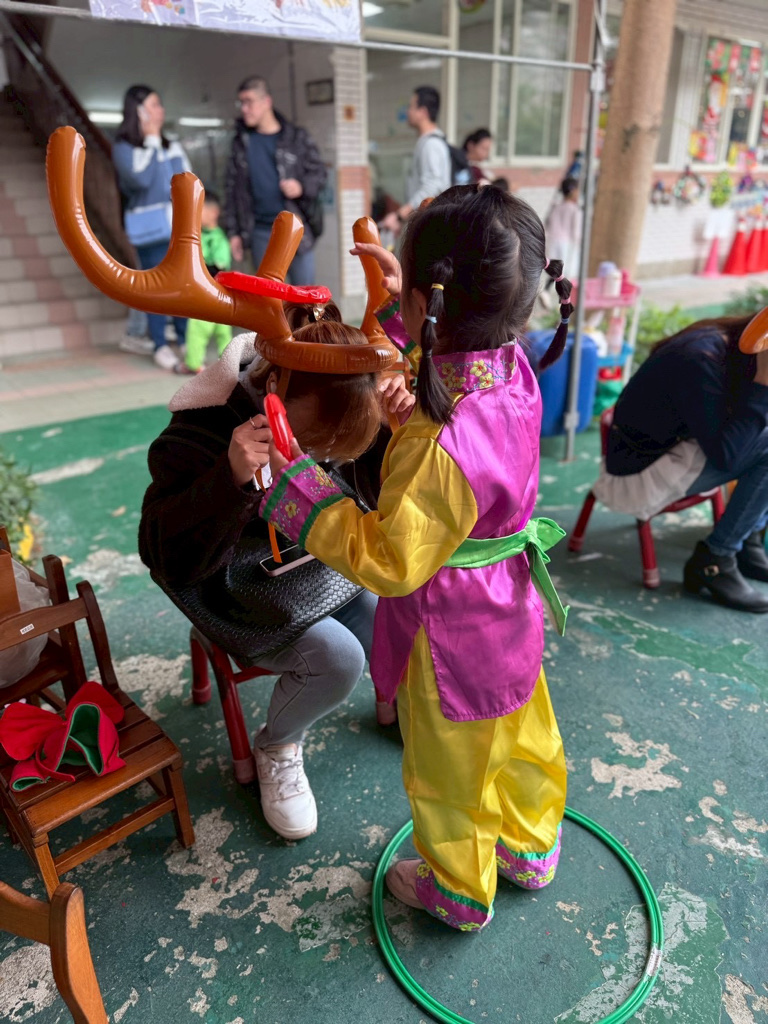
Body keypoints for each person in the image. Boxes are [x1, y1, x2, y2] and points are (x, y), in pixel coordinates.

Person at [261, 184, 574, 930]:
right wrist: (416, 311)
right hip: (513, 604)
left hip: (453, 631)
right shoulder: (514, 368)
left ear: (429, 306)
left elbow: (390, 560)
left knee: (450, 766)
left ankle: (459, 890)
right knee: (525, 733)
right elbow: (459, 383)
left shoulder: (439, 441)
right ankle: (531, 848)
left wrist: (301, 490)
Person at [139, 302, 414, 840]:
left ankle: (394, 700)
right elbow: (164, 555)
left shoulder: (330, 405)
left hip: (316, 558)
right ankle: (278, 743)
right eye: (308, 445)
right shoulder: (197, 432)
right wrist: (229, 480)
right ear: (272, 397)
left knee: (397, 617)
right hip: (231, 582)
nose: (318, 461)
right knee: (339, 658)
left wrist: (394, 436)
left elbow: (374, 501)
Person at [600, 316, 768, 613]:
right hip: (638, 472)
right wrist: (764, 383)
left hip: (674, 449)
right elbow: (727, 455)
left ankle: (747, 541)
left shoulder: (729, 343)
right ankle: (715, 558)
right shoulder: (700, 357)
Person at [113, 85, 190, 371]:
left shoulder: (173, 145)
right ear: (138, 111)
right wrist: (152, 140)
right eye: (154, 104)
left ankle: (184, 340)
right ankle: (160, 345)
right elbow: (142, 180)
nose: (161, 110)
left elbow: (184, 181)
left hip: (178, 227)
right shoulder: (124, 148)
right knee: (157, 289)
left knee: (182, 286)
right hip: (150, 230)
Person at [222, 76, 327, 286]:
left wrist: (301, 187)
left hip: (296, 231)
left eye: (249, 102)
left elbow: (319, 174)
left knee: (304, 297)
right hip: (260, 231)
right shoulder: (241, 143)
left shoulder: (295, 137)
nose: (244, 109)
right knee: (266, 298)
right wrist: (233, 232)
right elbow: (232, 189)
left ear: (266, 102)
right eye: (241, 103)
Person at [380, 86, 451, 237]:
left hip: (431, 228)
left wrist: (399, 216)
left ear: (423, 112)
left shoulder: (431, 145)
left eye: (411, 107)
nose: (408, 112)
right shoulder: (428, 142)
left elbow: (432, 186)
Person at [175, 191, 232, 375]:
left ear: (214, 212)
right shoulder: (197, 235)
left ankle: (194, 364)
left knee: (200, 328)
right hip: (213, 292)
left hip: (213, 291)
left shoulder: (219, 238)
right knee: (220, 330)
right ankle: (228, 365)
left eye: (200, 211)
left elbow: (220, 266)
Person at [544, 177, 582, 287]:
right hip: (567, 244)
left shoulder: (555, 206)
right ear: (573, 191)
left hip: (553, 241)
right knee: (566, 273)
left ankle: (547, 290)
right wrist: (578, 244)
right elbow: (576, 232)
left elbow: (548, 224)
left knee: (555, 271)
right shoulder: (575, 210)